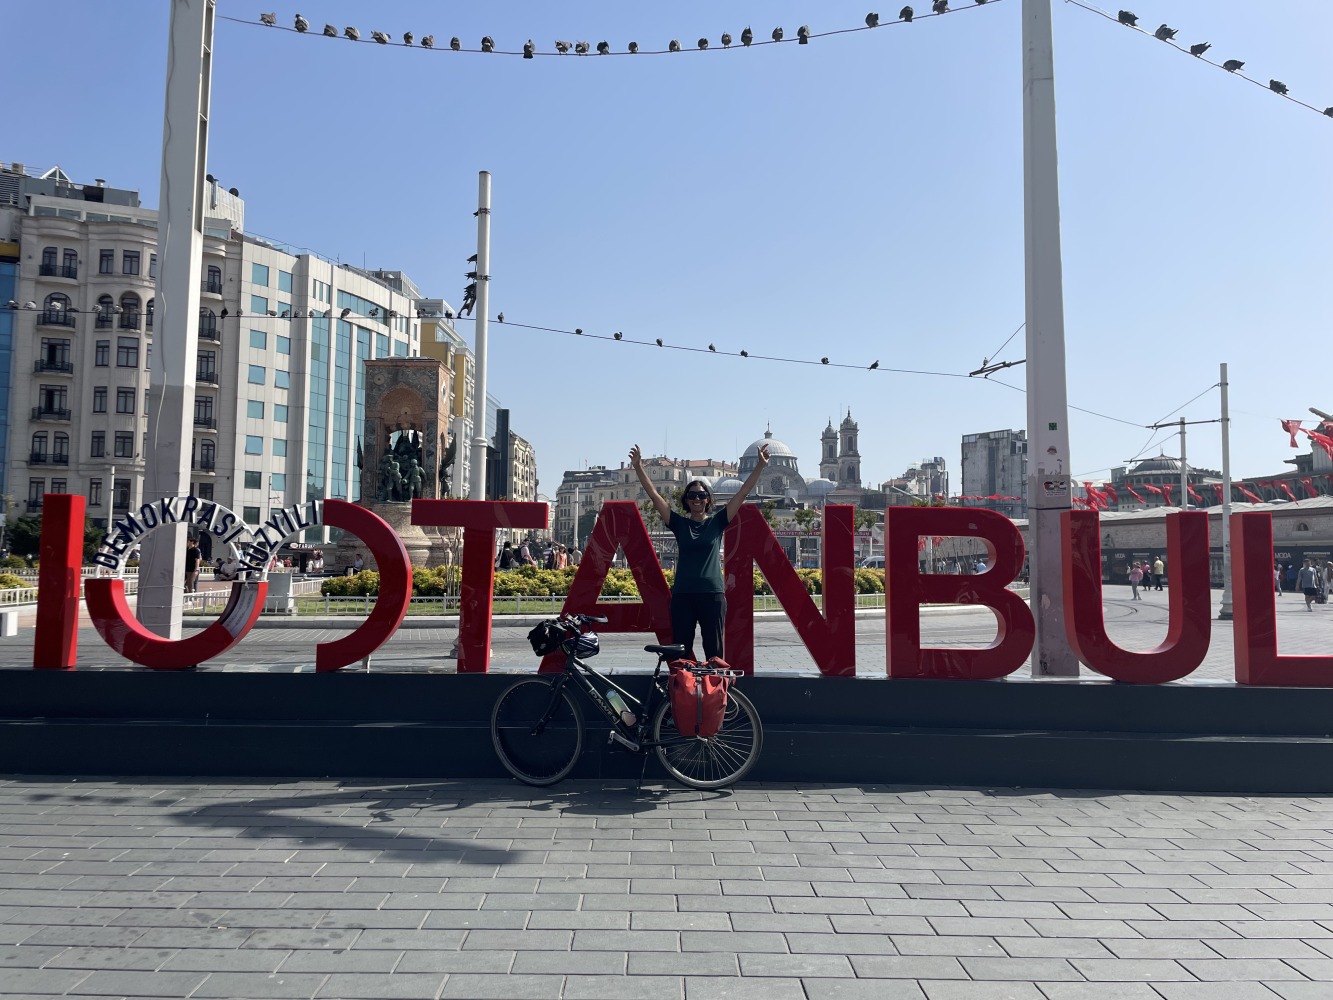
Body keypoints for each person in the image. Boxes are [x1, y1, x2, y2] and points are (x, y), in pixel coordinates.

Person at [631, 441, 769, 662]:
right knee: (681, 653)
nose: (697, 499)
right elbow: (655, 496)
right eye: (693, 495)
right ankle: (683, 686)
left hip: (712, 595)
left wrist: (760, 466)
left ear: (708, 500)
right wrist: (638, 467)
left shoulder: (717, 522)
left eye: (702, 495)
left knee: (714, 653)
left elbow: (743, 492)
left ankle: (714, 686)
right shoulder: (679, 524)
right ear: (686, 500)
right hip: (683, 595)